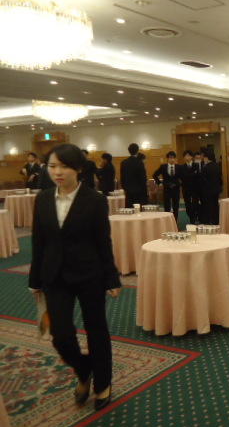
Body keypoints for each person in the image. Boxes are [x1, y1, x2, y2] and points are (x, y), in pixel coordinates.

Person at [29, 143, 121, 411]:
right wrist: (35, 280)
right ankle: (84, 370)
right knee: (61, 336)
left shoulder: (95, 200)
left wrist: (111, 278)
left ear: (78, 169)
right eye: (52, 166)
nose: (57, 172)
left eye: (64, 166)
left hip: (89, 273)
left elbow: (103, 241)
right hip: (55, 276)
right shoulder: (43, 199)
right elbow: (38, 241)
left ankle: (102, 383)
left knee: (96, 330)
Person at [153, 151, 181, 223]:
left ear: (175, 159)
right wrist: (159, 183)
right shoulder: (163, 167)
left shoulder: (178, 167)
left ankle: (175, 221)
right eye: (170, 157)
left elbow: (183, 177)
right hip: (167, 189)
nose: (172, 159)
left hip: (176, 189)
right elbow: (154, 175)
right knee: (167, 206)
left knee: (176, 206)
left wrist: (180, 184)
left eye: (173, 158)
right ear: (167, 158)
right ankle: (167, 221)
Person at [120, 143, 148, 207]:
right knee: (138, 209)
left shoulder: (124, 162)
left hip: (128, 191)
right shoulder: (140, 162)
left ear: (129, 151)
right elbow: (143, 178)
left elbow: (122, 178)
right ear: (137, 151)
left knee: (129, 209)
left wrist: (125, 188)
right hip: (139, 192)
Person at [199, 148, 222, 225]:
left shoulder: (205, 167)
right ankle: (216, 220)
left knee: (207, 206)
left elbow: (202, 180)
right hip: (216, 190)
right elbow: (220, 179)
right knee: (215, 205)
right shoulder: (217, 166)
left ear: (206, 157)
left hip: (207, 190)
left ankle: (208, 221)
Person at [179, 150, 198, 224]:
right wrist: (193, 174)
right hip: (186, 189)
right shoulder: (181, 167)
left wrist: (189, 176)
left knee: (195, 204)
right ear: (184, 157)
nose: (187, 157)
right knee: (187, 205)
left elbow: (198, 176)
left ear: (192, 157)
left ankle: (194, 218)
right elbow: (183, 177)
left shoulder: (196, 165)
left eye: (189, 155)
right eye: (186, 156)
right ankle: (191, 217)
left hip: (195, 188)